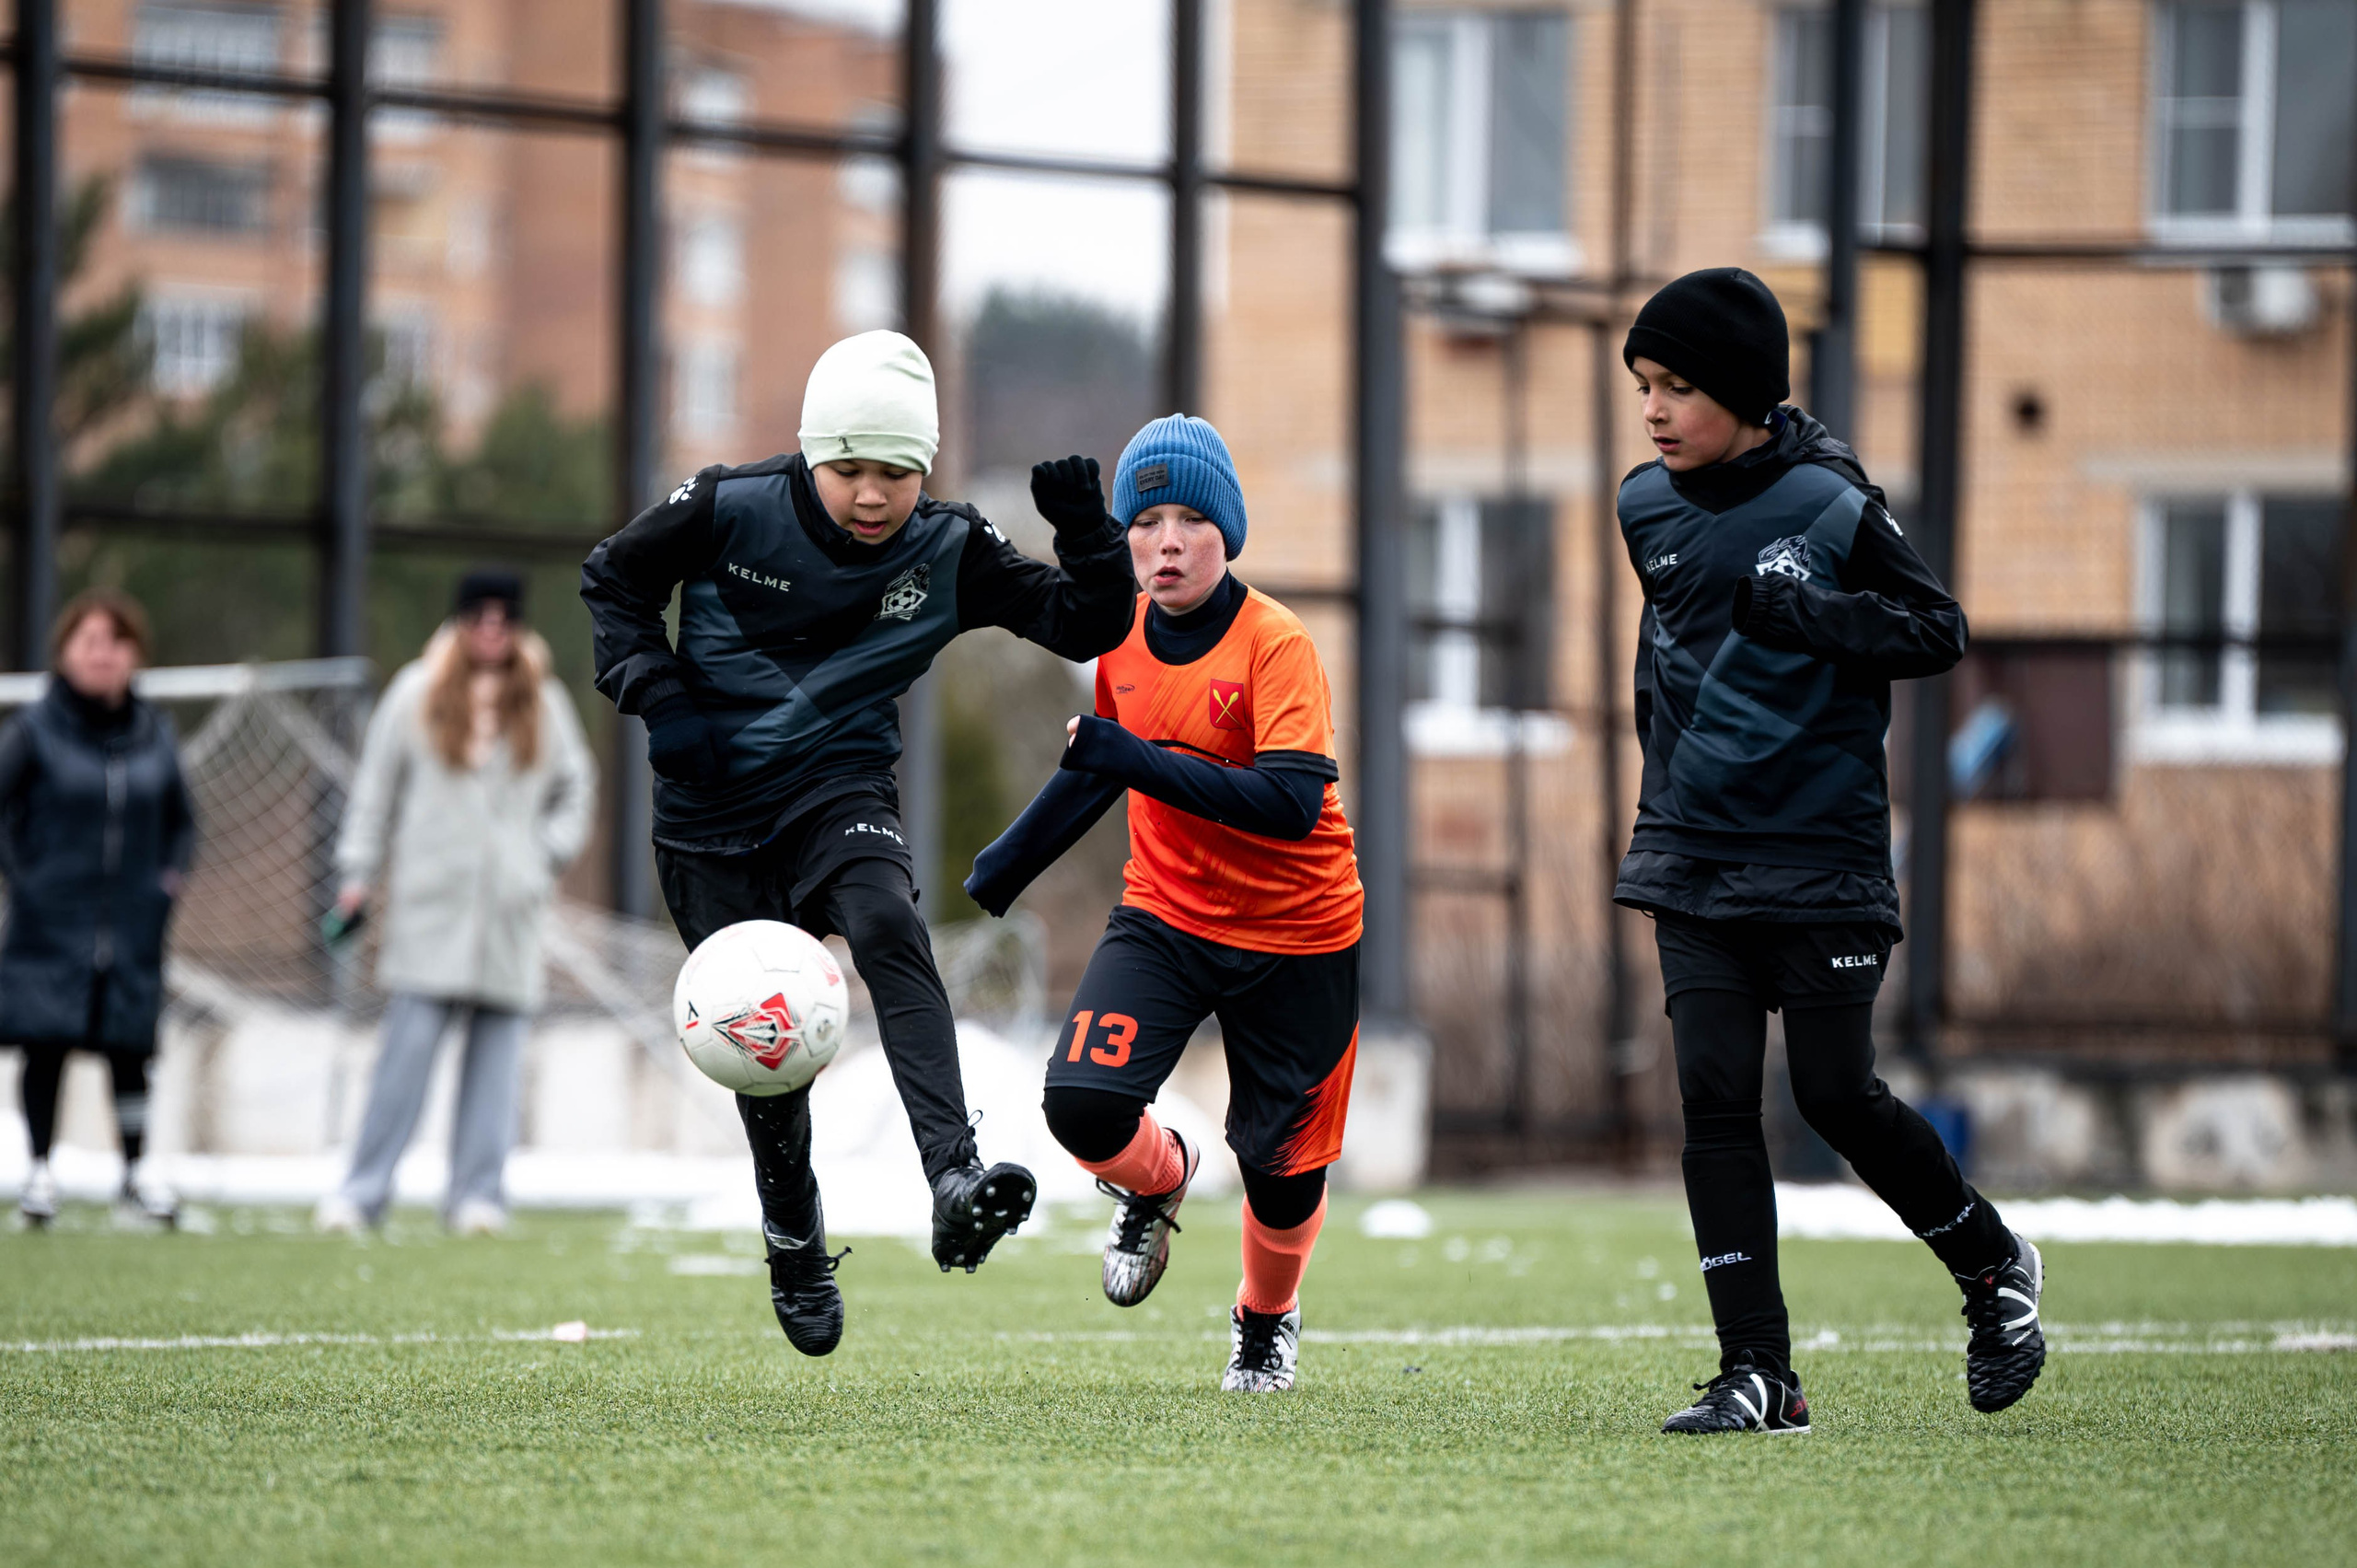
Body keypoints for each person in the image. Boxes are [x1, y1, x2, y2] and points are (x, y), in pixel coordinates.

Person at [579, 329, 1135, 1357]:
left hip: (838, 789)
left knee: (887, 921)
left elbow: (1081, 625)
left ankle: (953, 1177)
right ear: (808, 456)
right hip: (707, 818)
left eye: (896, 472)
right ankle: (794, 1235)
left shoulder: (950, 546)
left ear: (924, 471)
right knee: (772, 1048)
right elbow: (611, 578)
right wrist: (660, 698)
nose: (872, 494)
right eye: (848, 469)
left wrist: (1090, 536)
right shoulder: (725, 505)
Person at [1613, 268, 2045, 1433]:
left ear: (1748, 395)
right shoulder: (1642, 504)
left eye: (1679, 386)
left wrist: (1811, 617)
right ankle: (1759, 1372)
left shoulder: (1830, 500)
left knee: (1833, 1094)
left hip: (1821, 854)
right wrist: (1662, 789)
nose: (1653, 409)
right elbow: (1666, 651)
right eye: (1644, 385)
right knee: (1711, 1099)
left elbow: (1936, 631)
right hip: (1693, 855)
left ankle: (1993, 1265)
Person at [967, 414, 1364, 1394]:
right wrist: (1000, 866)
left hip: (1299, 933)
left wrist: (1133, 756)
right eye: (1145, 522)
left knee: (1281, 1165)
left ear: (1227, 532)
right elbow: (1097, 762)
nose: (1167, 541)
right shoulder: (1123, 639)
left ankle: (1264, 1320)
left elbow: (1286, 801)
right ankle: (1159, 1174)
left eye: (1191, 519)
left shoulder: (1277, 643)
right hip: (1168, 915)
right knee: (1081, 1103)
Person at [314, 571, 596, 1236]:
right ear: (462, 621)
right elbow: (375, 794)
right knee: (402, 1066)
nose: (492, 629)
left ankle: (478, 1197)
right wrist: (356, 873)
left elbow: (577, 789)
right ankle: (362, 1193)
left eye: (504, 618)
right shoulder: (415, 693)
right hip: (429, 910)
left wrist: (541, 856)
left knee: (495, 1073)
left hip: (510, 915)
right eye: (479, 616)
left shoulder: (545, 703)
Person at [2, 590, 196, 1228]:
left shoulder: (155, 734)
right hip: (51, 919)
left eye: (115, 642)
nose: (102, 654)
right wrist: (24, 877)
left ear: (134, 654)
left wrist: (166, 881)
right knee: (46, 1041)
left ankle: (137, 1174)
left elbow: (181, 822)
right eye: (90, 641)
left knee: (130, 1047)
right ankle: (36, 1170)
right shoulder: (34, 730)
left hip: (134, 921)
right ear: (65, 651)